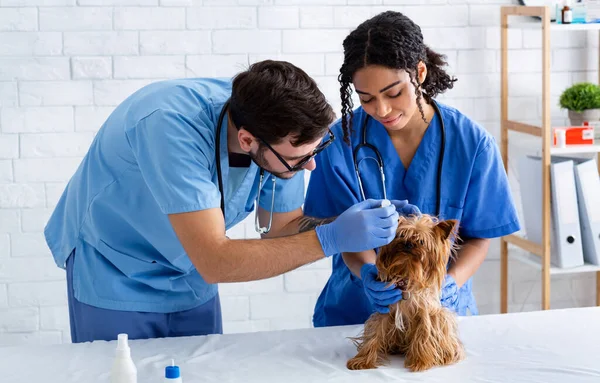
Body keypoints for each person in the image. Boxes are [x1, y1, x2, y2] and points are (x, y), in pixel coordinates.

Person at [44, 60, 410, 343]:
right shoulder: (170, 125)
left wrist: (350, 227)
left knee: (199, 379)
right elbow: (216, 260)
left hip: (189, 272)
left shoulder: (281, 131)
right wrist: (329, 240)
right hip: (115, 267)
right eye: (299, 159)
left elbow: (281, 228)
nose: (310, 165)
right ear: (249, 140)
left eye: (315, 151)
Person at [304, 11, 521, 328]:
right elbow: (340, 234)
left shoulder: (472, 144)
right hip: (356, 316)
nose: (382, 110)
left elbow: (477, 237)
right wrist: (368, 272)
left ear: (419, 73)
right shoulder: (339, 144)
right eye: (366, 99)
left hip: (436, 317)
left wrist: (452, 282)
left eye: (393, 93)